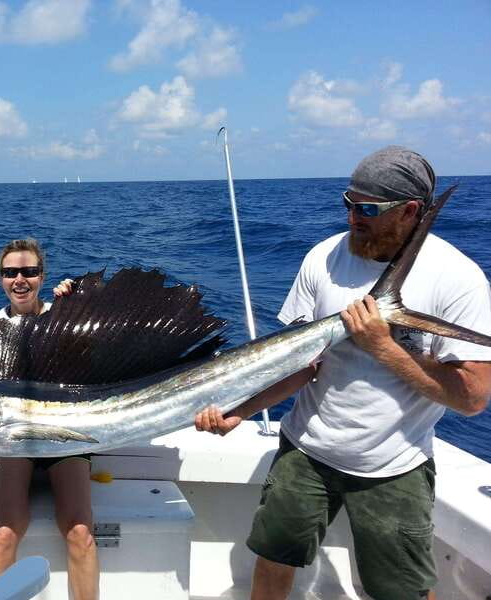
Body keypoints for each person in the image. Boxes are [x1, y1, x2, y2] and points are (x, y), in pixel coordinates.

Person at [195, 146, 491, 600]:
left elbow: (472, 398)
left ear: (410, 211)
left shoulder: (459, 278)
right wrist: (241, 410)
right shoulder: (322, 258)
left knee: (402, 590)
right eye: (348, 203)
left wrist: (383, 347)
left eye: (368, 209)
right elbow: (299, 366)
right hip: (305, 452)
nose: (353, 217)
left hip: (394, 466)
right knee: (273, 559)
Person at [0, 238, 99, 600]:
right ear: (0, 278)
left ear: (43, 275)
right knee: (3, 535)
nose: (20, 280)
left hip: (62, 434)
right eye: (10, 273)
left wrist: (78, 307)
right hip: (11, 440)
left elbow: (92, 371)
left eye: (29, 271)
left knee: (80, 533)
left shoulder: (63, 314)